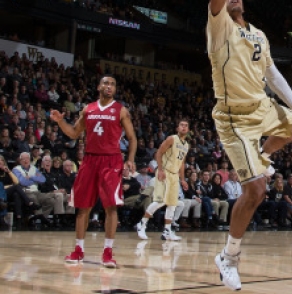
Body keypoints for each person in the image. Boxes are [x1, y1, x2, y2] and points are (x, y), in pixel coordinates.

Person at [208, 0, 292, 291]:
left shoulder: (258, 33)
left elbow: (274, 74)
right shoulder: (219, 29)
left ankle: (263, 154)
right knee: (257, 189)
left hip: (262, 108)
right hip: (234, 119)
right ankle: (228, 257)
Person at [50, 74, 138, 268]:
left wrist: (130, 160)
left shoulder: (121, 110)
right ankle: (78, 250)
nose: (109, 86)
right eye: (106, 83)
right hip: (90, 159)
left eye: (113, 84)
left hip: (111, 160)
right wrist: (59, 122)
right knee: (83, 206)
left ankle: (108, 252)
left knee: (111, 206)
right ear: (99, 86)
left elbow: (132, 138)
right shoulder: (88, 108)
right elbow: (74, 132)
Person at [136, 118, 191, 241]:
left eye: (186, 126)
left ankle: (167, 231)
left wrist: (183, 179)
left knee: (172, 204)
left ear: (188, 129)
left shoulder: (186, 145)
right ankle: (142, 224)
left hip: (175, 175)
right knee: (160, 201)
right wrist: (160, 170)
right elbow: (159, 153)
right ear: (177, 128)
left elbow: (182, 163)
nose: (183, 127)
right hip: (164, 172)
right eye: (181, 125)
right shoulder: (172, 139)